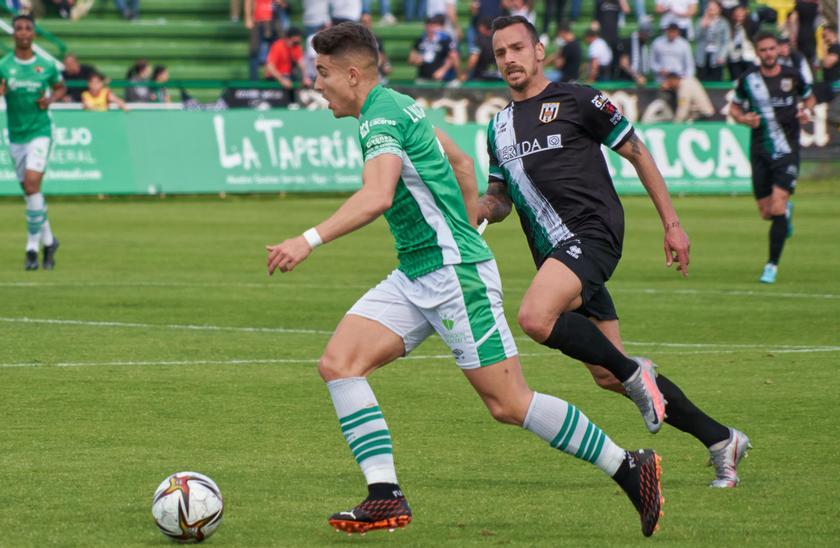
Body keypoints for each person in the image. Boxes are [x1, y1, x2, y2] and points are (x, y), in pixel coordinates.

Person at [265, 21, 665, 538]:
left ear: (352, 73)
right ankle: (384, 495)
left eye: (322, 74)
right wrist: (463, 221)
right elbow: (457, 160)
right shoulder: (398, 104)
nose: (317, 84)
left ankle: (628, 466)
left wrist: (307, 240)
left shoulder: (377, 119)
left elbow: (377, 196)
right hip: (417, 272)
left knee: (509, 403)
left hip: (455, 277)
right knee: (339, 363)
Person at [477, 14, 749, 490]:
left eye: (518, 48)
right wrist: (480, 208)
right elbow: (500, 197)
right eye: (501, 53)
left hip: (593, 234)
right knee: (608, 373)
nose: (510, 59)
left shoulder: (579, 99)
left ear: (539, 51)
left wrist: (673, 225)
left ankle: (635, 375)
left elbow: (638, 152)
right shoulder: (497, 127)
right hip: (555, 255)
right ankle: (721, 438)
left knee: (536, 318)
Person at [729, 32, 814, 284]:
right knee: (767, 212)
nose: (768, 53)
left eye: (772, 49)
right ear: (757, 52)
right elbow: (734, 108)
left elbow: (810, 96)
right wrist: (744, 119)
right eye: (763, 50)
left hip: (787, 151)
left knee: (776, 206)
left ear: (779, 50)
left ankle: (771, 266)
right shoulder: (748, 80)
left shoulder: (792, 76)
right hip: (760, 151)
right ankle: (784, 214)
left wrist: (807, 110)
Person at [0, 15, 65, 271]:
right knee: (31, 193)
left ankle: (31, 248)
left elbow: (60, 88)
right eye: (18, 28)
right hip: (16, 135)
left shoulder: (46, 65)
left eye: (27, 28)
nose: (23, 33)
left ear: (34, 34)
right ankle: (50, 241)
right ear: (13, 34)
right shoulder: (2, 67)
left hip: (40, 131)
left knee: (32, 184)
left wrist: (50, 100)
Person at [408, 14, 458, 83]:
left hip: (439, 79)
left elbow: (452, 56)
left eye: (433, 25)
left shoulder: (444, 40)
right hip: (423, 77)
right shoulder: (420, 40)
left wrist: (442, 70)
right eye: (429, 25)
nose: (430, 28)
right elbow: (411, 59)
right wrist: (416, 60)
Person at [265, 28, 310, 102]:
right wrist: (282, 80)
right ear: (291, 38)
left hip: (289, 77)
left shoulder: (296, 47)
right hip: (275, 77)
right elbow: (270, 67)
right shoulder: (278, 46)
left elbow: (301, 64)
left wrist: (305, 77)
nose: (299, 40)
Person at [693, 0, 729, 82]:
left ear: (719, 9)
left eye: (713, 8)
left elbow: (726, 41)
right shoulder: (700, 21)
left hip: (717, 55)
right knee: (702, 78)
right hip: (702, 54)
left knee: (716, 78)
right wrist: (702, 26)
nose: (711, 10)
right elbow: (696, 37)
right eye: (709, 8)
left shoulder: (723, 23)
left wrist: (722, 55)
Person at [816, 23, 840, 103]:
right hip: (828, 82)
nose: (823, 38)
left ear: (832, 33)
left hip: (835, 83)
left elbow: (827, 63)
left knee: (835, 106)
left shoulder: (837, 49)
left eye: (825, 35)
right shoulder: (831, 49)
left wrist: (824, 48)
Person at [726, 5, 755, 80]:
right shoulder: (730, 26)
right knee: (736, 79)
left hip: (749, 56)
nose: (739, 14)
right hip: (734, 57)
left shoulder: (751, 25)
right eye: (737, 12)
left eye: (741, 11)